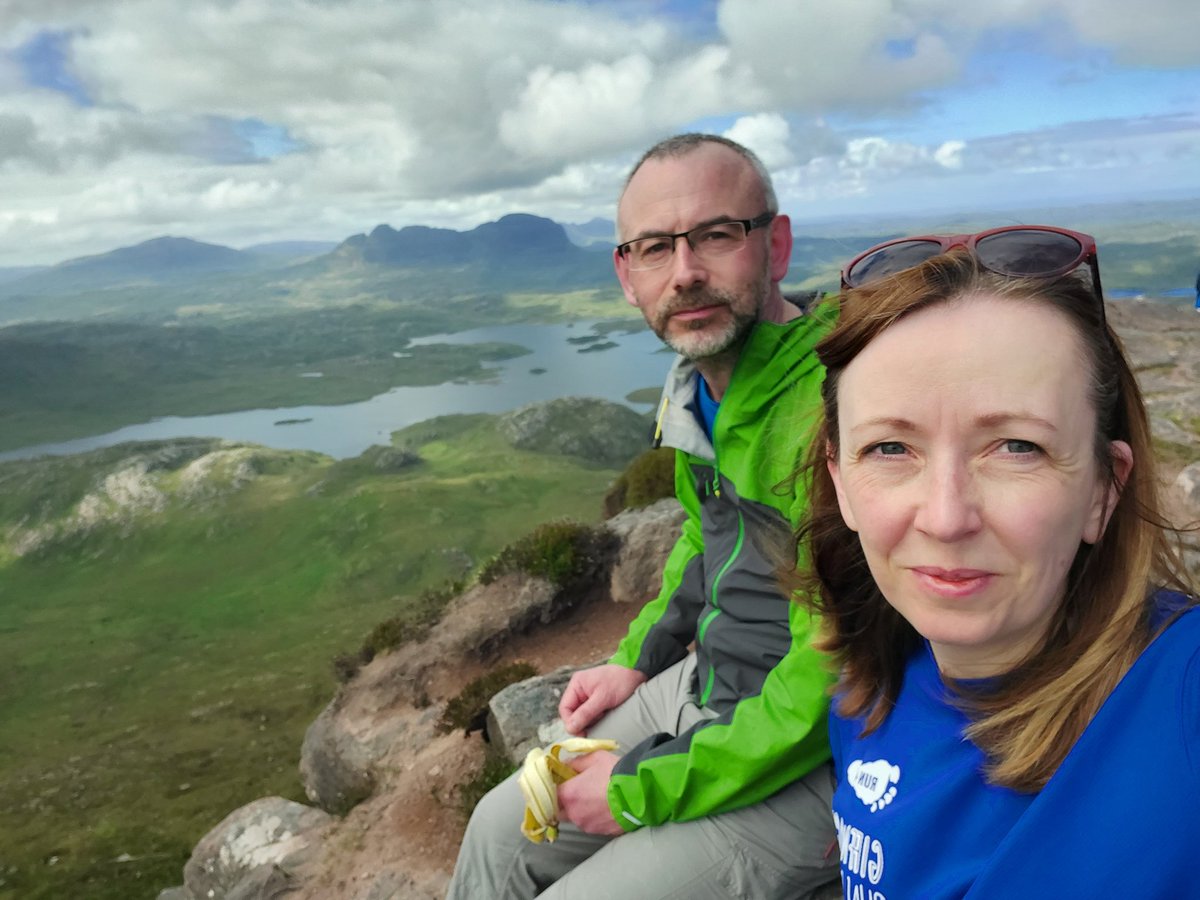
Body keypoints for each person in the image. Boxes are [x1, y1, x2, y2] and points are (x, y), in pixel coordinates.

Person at [447, 134, 839, 899]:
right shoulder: (700, 388)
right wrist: (636, 658)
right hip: (713, 685)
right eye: (656, 247)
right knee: (499, 826)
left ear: (778, 245)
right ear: (628, 275)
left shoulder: (835, 403)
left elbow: (837, 670)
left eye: (717, 235)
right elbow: (702, 538)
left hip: (812, 751)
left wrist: (637, 787)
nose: (685, 272)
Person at [785, 227, 1198, 898]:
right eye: (890, 448)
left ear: (1104, 488)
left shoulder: (1178, 695)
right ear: (841, 484)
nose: (947, 517)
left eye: (1017, 447)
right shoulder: (868, 683)